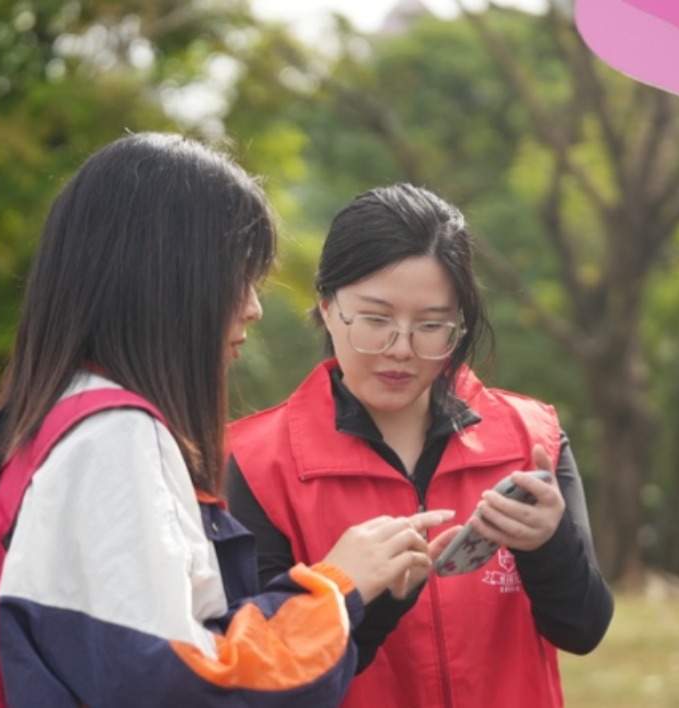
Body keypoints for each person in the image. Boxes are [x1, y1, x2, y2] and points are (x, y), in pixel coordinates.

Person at [0, 135, 453, 707]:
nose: (254, 306)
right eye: (238, 276)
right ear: (167, 281)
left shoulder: (53, 419)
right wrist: (333, 587)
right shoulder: (114, 440)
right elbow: (183, 687)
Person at [226, 183, 614, 707]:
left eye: (432, 326)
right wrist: (354, 592)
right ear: (326, 305)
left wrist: (549, 545)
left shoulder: (531, 437)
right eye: (376, 320)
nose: (401, 350)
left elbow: (583, 629)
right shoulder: (253, 463)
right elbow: (267, 682)